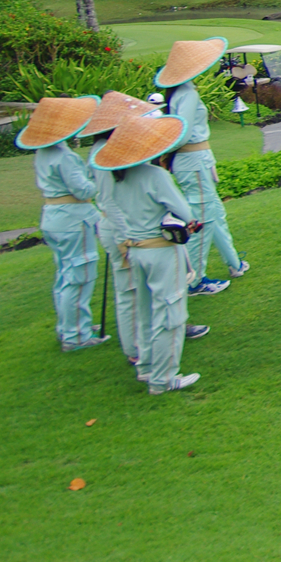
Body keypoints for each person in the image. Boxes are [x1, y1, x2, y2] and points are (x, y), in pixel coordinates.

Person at [83, 93, 208, 379]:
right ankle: (163, 378)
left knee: (145, 309)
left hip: (136, 248)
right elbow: (185, 211)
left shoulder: (117, 175)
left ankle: (146, 366)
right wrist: (189, 222)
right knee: (169, 312)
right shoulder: (154, 176)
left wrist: (127, 238)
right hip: (158, 249)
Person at [155, 38, 247, 294]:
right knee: (202, 220)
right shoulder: (187, 93)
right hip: (192, 162)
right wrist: (166, 155)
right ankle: (195, 279)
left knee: (215, 213)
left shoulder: (184, 90)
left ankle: (234, 262)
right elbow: (182, 132)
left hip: (199, 161)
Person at [19, 95, 105, 352]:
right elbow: (82, 190)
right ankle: (75, 335)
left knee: (65, 275)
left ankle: (72, 326)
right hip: (72, 219)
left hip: (54, 217)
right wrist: (97, 178)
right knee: (80, 275)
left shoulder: (43, 152)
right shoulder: (63, 156)